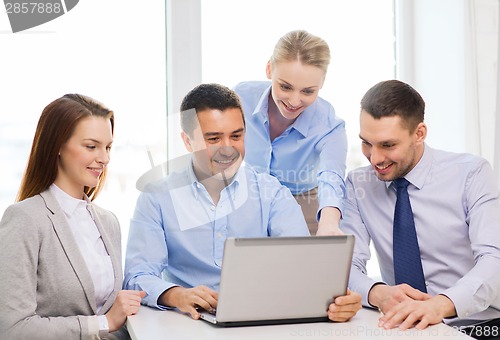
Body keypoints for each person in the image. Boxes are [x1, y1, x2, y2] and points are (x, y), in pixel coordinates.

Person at [124, 83, 361, 322]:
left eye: (236, 136)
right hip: (185, 323)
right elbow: (137, 276)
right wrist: (177, 296)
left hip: (261, 322)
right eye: (214, 138)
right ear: (187, 142)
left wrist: (338, 302)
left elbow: (304, 271)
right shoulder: (157, 197)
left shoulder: (273, 193)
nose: (228, 149)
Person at [341, 79, 500, 339]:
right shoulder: (359, 184)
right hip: (404, 326)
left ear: (419, 133)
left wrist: (440, 305)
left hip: (478, 324)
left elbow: (494, 258)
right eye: (367, 143)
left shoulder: (471, 174)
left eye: (388, 145)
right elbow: (347, 266)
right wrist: (377, 293)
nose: (375, 158)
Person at [0, 94, 145, 340]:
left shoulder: (108, 223)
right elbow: (13, 329)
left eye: (108, 147)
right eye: (91, 146)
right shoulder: (25, 219)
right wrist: (102, 323)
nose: (105, 158)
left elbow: (116, 318)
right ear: (57, 145)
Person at [233, 30, 347, 236]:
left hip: (304, 203)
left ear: (321, 83)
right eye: (285, 87)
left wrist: (329, 223)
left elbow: (332, 175)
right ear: (269, 69)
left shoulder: (329, 125)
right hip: (250, 199)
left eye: (308, 91)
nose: (294, 101)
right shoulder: (240, 98)